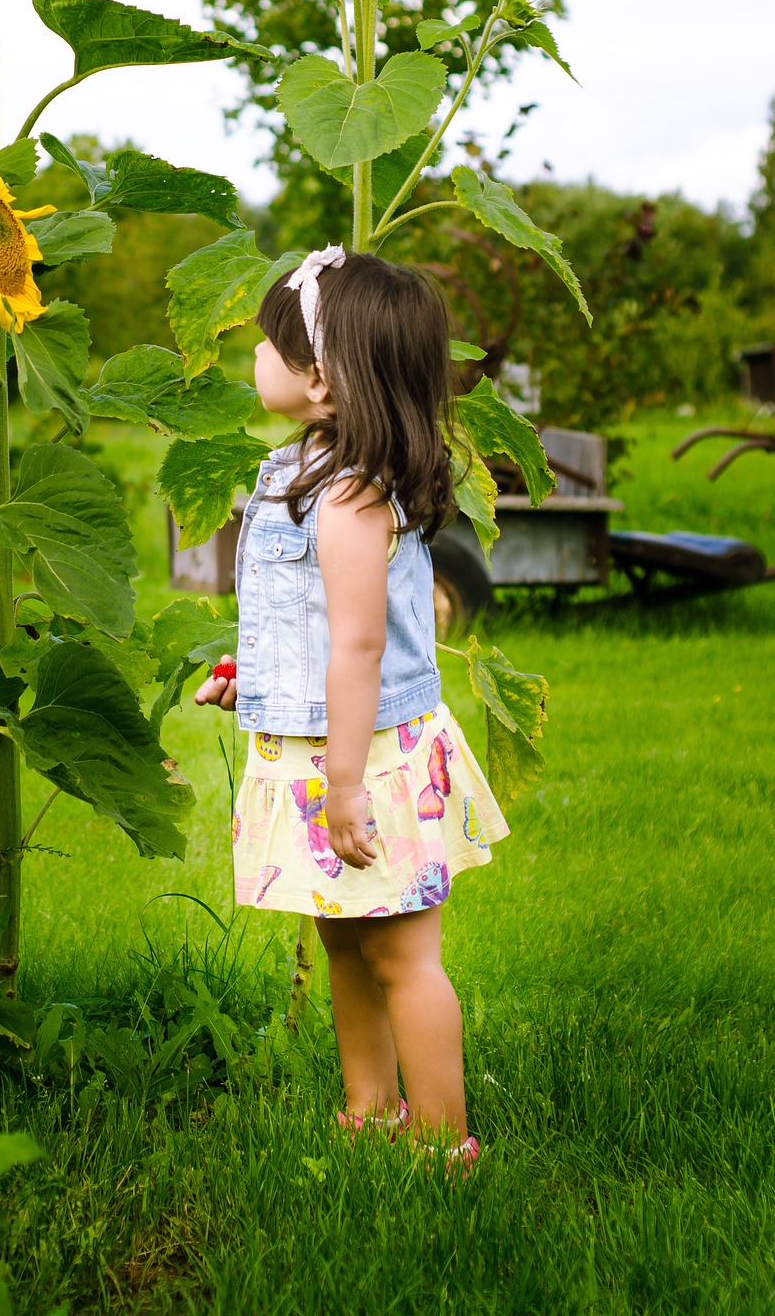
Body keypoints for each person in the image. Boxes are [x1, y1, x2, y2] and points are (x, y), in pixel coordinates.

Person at [194, 247, 508, 1170]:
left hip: (364, 763)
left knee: (402, 957)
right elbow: (307, 635)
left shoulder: (347, 497)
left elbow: (360, 647)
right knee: (344, 945)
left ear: (322, 381)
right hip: (325, 751)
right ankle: (370, 1111)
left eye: (268, 342)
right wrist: (251, 684)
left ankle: (445, 1139)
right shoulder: (308, 472)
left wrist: (342, 782)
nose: (254, 354)